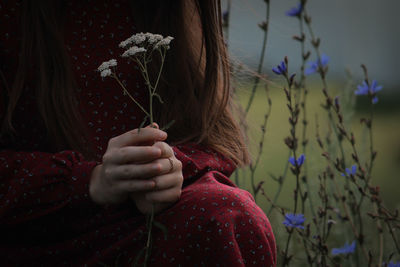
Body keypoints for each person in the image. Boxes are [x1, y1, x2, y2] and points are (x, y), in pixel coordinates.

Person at [0, 0, 276, 266]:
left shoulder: (167, 8)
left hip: (145, 226)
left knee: (228, 215)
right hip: (36, 236)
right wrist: (89, 181)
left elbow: (211, 136)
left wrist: (161, 169)